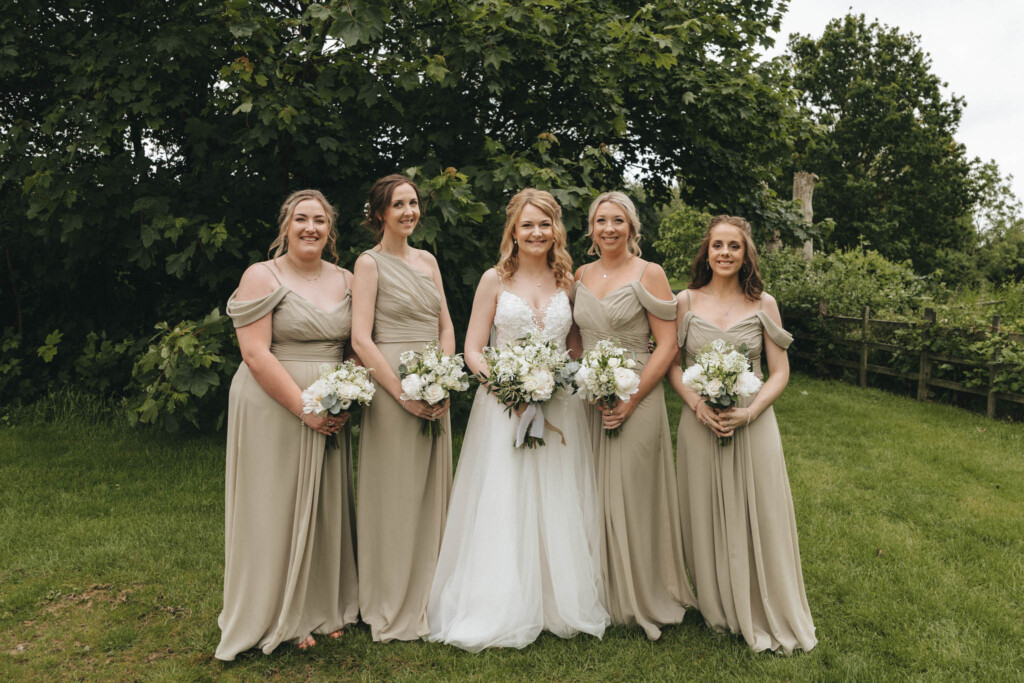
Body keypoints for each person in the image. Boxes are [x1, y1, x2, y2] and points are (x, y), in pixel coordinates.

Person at [427, 189, 609, 652]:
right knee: (504, 496)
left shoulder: (566, 279)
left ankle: (555, 599)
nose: (536, 233)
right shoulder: (494, 280)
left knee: (557, 495)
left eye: (544, 224)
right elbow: (473, 349)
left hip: (558, 406)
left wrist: (564, 378)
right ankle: (499, 602)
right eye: (527, 225)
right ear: (513, 230)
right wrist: (510, 389)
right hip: (503, 405)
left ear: (556, 230)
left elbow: (574, 345)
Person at [216, 189, 358, 661]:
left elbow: (356, 346)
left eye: (320, 220)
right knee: (273, 505)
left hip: (331, 402)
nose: (310, 228)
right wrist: (305, 408)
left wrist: (347, 393)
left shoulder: (347, 279)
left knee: (323, 505)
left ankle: (322, 606)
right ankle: (277, 613)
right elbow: (255, 353)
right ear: (286, 226)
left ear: (330, 229)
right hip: (272, 402)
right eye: (301, 219)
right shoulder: (262, 275)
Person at [669, 215, 817, 654]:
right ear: (706, 252)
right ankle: (719, 606)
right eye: (718, 245)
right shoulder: (684, 301)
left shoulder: (763, 303)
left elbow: (780, 371)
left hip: (753, 420)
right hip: (699, 421)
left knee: (761, 510)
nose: (725, 253)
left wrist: (749, 412)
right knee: (703, 510)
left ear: (746, 254)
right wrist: (697, 405)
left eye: (734, 246)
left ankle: (764, 603)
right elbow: (673, 366)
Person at [571, 191, 696, 640]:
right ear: (591, 228)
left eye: (618, 220)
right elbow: (575, 339)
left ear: (632, 227)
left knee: (634, 490)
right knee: (591, 491)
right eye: (601, 220)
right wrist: (586, 381)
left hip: (638, 393)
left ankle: (642, 592)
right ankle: (599, 592)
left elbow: (667, 344)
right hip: (590, 397)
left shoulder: (650, 273)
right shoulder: (579, 274)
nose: (609, 228)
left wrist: (631, 396)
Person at [351, 174, 455, 642]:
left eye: (413, 203)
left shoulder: (428, 260)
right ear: (379, 214)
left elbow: (446, 326)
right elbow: (360, 338)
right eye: (398, 205)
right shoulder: (368, 263)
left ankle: (434, 593)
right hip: (392, 383)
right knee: (393, 493)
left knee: (432, 489)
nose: (409, 212)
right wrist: (401, 392)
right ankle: (390, 596)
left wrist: (442, 376)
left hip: (434, 381)